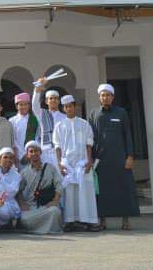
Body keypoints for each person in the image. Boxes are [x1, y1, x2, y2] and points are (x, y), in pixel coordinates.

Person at [89, 83, 139, 231]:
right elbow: (89, 138)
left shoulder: (121, 113)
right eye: (102, 95)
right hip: (101, 159)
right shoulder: (93, 114)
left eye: (108, 95)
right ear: (99, 97)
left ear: (112, 97)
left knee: (124, 188)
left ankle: (125, 220)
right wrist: (90, 157)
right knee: (102, 190)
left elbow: (128, 135)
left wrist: (130, 156)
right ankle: (102, 220)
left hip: (120, 158)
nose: (105, 97)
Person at [53, 94, 99, 232]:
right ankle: (70, 221)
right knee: (69, 193)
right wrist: (59, 163)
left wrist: (89, 161)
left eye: (70, 106)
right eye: (66, 107)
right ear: (64, 108)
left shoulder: (84, 124)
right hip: (67, 163)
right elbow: (57, 146)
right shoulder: (59, 125)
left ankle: (89, 221)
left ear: (75, 107)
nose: (68, 108)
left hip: (82, 162)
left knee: (86, 191)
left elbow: (89, 143)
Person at [16, 141, 63, 234]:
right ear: (27, 155)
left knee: (55, 212)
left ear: (40, 152)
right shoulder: (24, 172)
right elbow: (18, 190)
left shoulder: (50, 168)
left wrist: (55, 201)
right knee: (24, 218)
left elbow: (59, 185)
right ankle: (44, 228)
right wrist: (22, 204)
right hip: (31, 207)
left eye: (36, 151)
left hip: (46, 205)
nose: (34, 154)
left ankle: (41, 229)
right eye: (31, 151)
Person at [0, 147, 22, 229]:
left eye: (11, 158)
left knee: (2, 211)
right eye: (5, 157)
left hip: (7, 203)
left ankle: (2, 224)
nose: (8, 160)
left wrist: (1, 181)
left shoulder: (16, 175)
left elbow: (11, 193)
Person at [10, 92, 39, 164]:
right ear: (17, 106)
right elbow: (13, 140)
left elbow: (37, 137)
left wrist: (29, 154)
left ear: (29, 105)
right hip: (17, 157)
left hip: (33, 155)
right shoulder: (12, 120)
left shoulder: (34, 119)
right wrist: (20, 155)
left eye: (26, 104)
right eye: (21, 105)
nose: (24, 107)